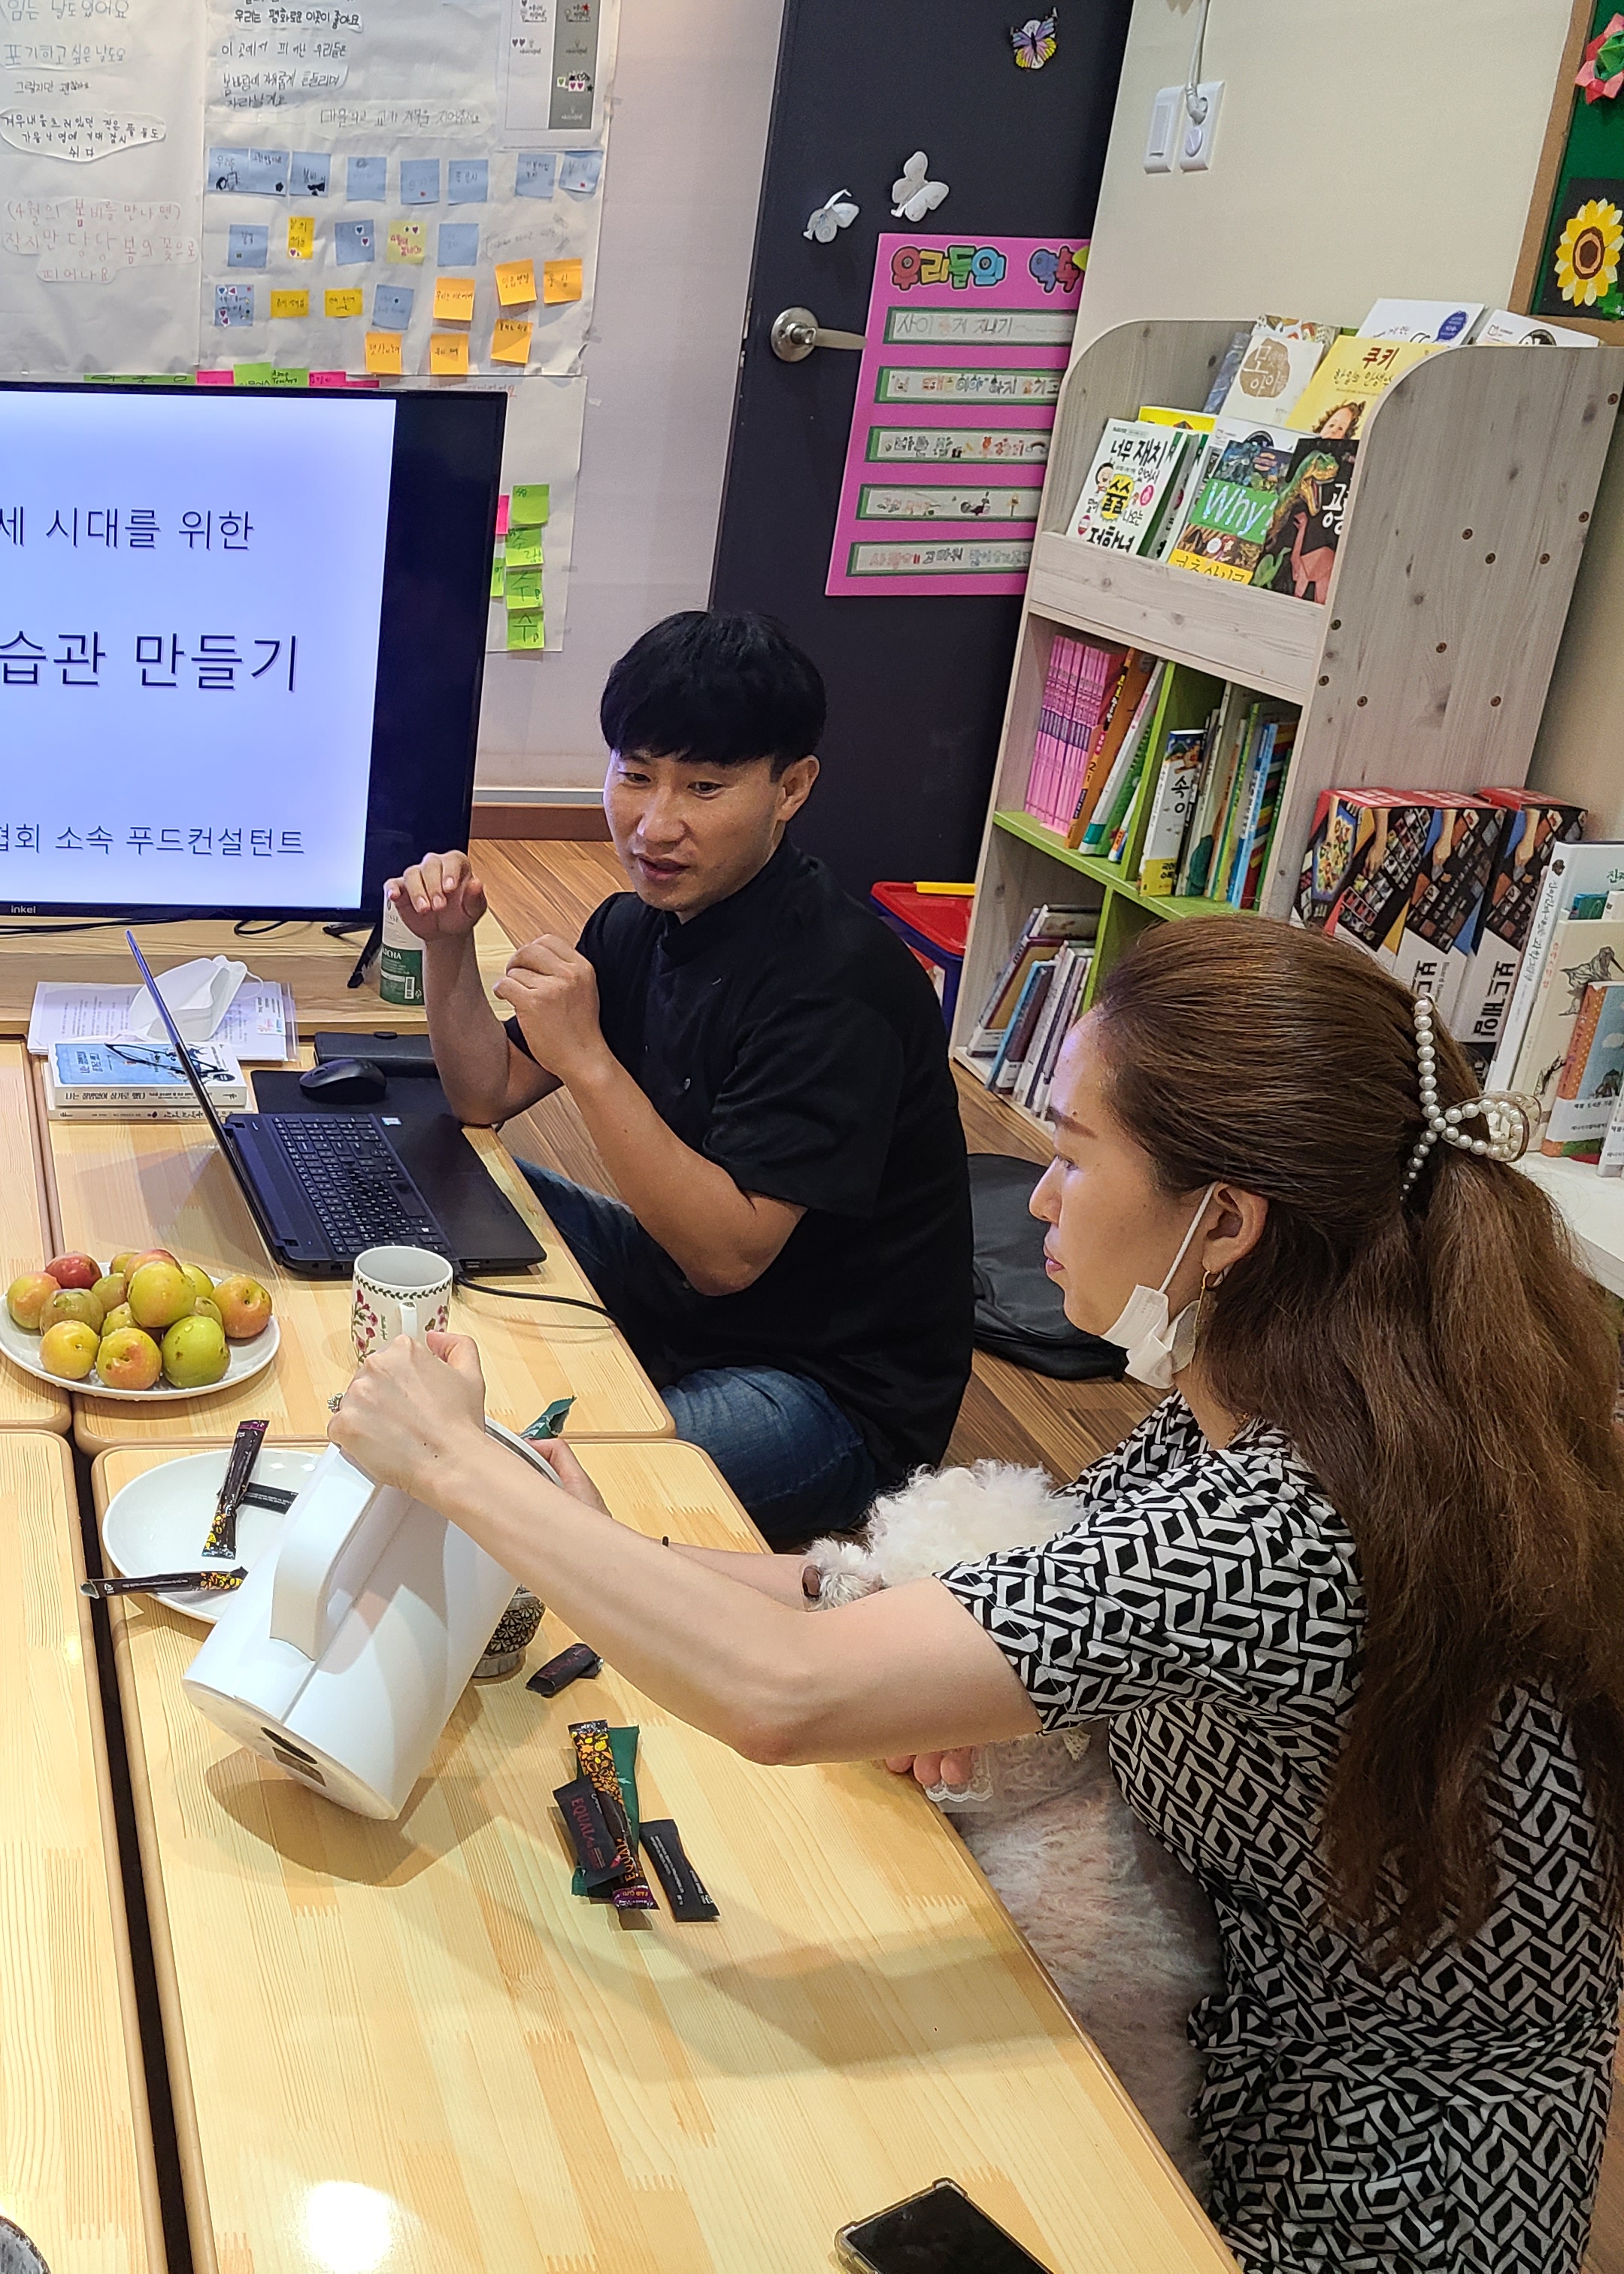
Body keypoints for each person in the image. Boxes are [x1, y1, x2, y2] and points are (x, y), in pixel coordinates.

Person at [330, 917, 1624, 2272]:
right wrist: (621, 1549)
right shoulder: (1291, 1397)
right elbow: (952, 1592)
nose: (1040, 1199)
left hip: (1354, 2186)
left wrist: (459, 1469)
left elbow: (786, 1691)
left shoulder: (1290, 1516)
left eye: (1073, 1154)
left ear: (1228, 1222)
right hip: (1236, 2029)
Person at [384, 610, 970, 1548]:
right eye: (635, 775)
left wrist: (587, 1059)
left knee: (517, 1490)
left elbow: (726, 1258)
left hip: (824, 1389)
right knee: (419, 1165)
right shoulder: (635, 925)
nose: (655, 826)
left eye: (704, 787)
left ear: (791, 788)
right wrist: (448, 947)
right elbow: (484, 1096)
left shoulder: (838, 982)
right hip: (673, 1296)